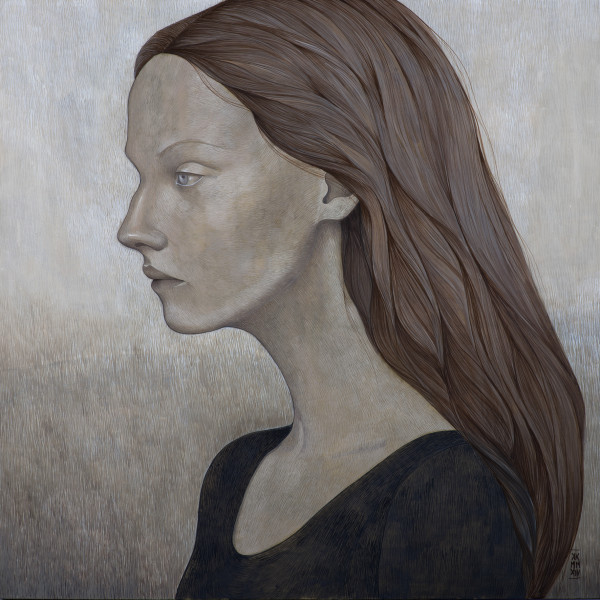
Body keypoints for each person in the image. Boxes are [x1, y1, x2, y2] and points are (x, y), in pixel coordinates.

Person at [117, 1, 585, 598]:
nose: (133, 228)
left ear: (333, 186)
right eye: (140, 177)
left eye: (186, 175)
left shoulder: (446, 492)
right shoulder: (236, 477)